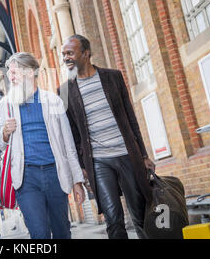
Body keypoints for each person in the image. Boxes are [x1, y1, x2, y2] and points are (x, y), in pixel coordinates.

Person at [59, 35, 155, 239]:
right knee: (113, 218)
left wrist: (144, 154)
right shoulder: (65, 90)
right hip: (99, 161)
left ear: (86, 53)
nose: (66, 57)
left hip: (127, 154)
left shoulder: (113, 77)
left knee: (140, 214)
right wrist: (81, 167)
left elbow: (130, 117)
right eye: (64, 54)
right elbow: (74, 133)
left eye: (70, 53)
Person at [0, 52, 85, 239]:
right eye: (9, 73)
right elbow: (0, 145)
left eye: (14, 73)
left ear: (29, 73)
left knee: (62, 231)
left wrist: (77, 181)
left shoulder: (53, 100)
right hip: (26, 178)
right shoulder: (6, 104)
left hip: (55, 174)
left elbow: (68, 143)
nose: (10, 78)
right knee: (39, 233)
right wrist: (5, 133)